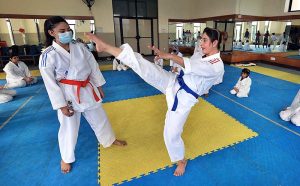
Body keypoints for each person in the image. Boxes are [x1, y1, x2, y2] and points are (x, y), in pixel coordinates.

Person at [86, 27, 224, 176]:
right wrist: (177, 69)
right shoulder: (202, 52)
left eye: (204, 40)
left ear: (215, 42)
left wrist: (168, 56)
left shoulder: (216, 65)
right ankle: (106, 47)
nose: (201, 43)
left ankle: (181, 160)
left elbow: (190, 65)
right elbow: (190, 67)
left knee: (170, 134)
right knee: (143, 66)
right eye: (201, 39)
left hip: (184, 98)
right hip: (174, 82)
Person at [39, 16, 126, 174]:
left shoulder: (79, 46)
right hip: (67, 94)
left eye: (68, 30)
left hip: (86, 88)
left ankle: (109, 140)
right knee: (69, 127)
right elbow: (50, 83)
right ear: (51, 32)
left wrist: (98, 85)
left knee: (100, 117)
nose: (67, 33)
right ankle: (66, 157)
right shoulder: (48, 55)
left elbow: (92, 66)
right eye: (62, 31)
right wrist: (61, 105)